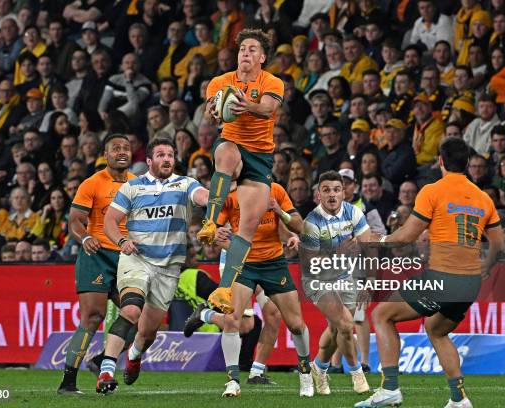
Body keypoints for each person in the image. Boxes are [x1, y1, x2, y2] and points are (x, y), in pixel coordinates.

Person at [355, 137, 504, 408]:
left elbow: (407, 235)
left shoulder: (432, 190)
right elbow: (499, 242)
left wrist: (379, 240)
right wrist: (489, 265)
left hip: (443, 278)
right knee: (436, 329)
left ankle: (389, 389)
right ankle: (459, 398)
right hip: (470, 283)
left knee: (381, 314)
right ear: (468, 163)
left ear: (441, 161)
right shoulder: (483, 198)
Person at [96, 138, 209, 394]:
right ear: (149, 161)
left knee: (147, 333)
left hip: (168, 268)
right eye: (160, 155)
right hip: (136, 259)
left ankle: (134, 355)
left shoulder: (185, 184)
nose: (167, 159)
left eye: (170, 155)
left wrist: (213, 197)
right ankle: (106, 371)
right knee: (131, 311)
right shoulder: (132, 187)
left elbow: (202, 196)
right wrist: (122, 240)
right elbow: (110, 222)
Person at [184, 181, 313, 397]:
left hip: (272, 263)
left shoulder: (275, 190)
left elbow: (285, 225)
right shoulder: (229, 194)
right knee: (240, 322)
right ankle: (233, 380)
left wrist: (289, 233)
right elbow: (212, 231)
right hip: (240, 263)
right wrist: (218, 237)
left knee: (285, 320)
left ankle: (266, 372)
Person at [195, 28, 284, 314]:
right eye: (242, 48)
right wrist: (219, 109)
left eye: (252, 49)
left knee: (248, 227)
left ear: (262, 57)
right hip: (233, 143)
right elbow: (213, 110)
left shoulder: (272, 81)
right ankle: (210, 222)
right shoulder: (221, 82)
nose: (245, 53)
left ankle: (224, 288)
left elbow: (267, 108)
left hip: (261, 157)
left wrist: (248, 105)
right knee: (226, 153)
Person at [56, 134, 136, 395]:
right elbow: (76, 221)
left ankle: (102, 361)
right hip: (97, 255)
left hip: (127, 257)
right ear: (105, 154)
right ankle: (68, 383)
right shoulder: (92, 183)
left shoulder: (139, 184)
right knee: (92, 317)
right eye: (116, 148)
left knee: (141, 321)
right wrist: (86, 236)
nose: (121, 152)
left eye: (126, 148)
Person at [299, 170, 371, 396]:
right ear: (318, 194)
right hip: (317, 280)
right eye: (326, 190)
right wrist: (337, 253)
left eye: (337, 190)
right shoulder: (311, 222)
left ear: (344, 193)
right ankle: (356, 373)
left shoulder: (354, 213)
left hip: (344, 278)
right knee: (347, 325)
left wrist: (369, 280)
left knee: (336, 328)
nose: (332, 195)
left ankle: (319, 369)